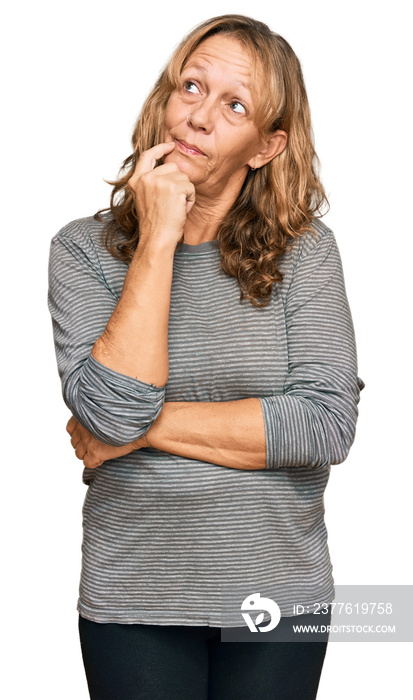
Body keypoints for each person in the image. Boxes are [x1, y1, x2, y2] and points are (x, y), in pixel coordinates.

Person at [48, 13, 363, 700]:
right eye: (189, 86)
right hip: (133, 596)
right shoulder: (80, 251)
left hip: (277, 595)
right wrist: (160, 234)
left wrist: (130, 435)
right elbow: (110, 406)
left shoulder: (305, 252)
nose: (198, 116)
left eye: (234, 104)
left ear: (264, 145)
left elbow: (322, 426)